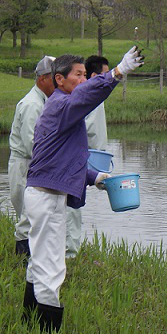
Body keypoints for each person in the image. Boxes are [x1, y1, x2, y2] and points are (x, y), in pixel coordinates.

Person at [22, 47, 143, 333]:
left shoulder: (61, 110)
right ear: (59, 80)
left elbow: (63, 160)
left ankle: (29, 322)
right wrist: (116, 73)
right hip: (47, 197)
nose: (84, 80)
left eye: (86, 75)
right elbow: (86, 96)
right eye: (78, 75)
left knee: (39, 260)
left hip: (43, 193)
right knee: (52, 266)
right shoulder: (63, 105)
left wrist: (97, 177)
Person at [8, 56, 56, 257]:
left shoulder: (42, 101)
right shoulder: (32, 105)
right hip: (25, 164)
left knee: (33, 214)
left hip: (31, 164)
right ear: (43, 78)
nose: (59, 83)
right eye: (55, 78)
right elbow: (32, 145)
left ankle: (32, 257)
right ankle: (23, 258)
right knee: (28, 214)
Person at [64, 55, 111, 259]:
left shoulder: (94, 99)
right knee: (71, 206)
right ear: (95, 76)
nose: (109, 78)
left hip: (91, 157)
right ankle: (69, 253)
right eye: (105, 74)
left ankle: (69, 250)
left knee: (75, 203)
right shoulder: (86, 100)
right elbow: (86, 128)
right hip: (84, 157)